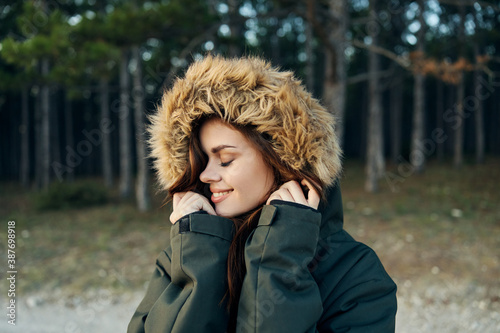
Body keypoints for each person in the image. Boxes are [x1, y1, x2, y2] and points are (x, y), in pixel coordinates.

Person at [127, 55, 397, 333]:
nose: (206, 176)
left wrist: (280, 258)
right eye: (203, 160)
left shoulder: (357, 274)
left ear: (283, 160)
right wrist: (198, 256)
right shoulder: (185, 250)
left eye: (226, 159)